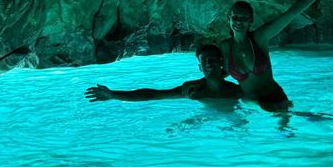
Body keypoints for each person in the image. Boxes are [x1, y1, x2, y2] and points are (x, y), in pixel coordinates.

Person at [220, 0, 322, 111]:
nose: (238, 21)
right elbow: (219, 73)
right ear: (229, 18)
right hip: (254, 104)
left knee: (289, 127)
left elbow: (291, 13)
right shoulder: (225, 46)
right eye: (235, 17)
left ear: (251, 20)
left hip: (276, 97)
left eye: (244, 18)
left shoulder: (259, 38)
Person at [84, 43, 242, 104]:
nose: (209, 63)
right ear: (199, 68)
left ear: (221, 62)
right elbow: (153, 94)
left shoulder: (235, 91)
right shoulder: (192, 90)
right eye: (204, 61)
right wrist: (113, 95)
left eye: (213, 59)